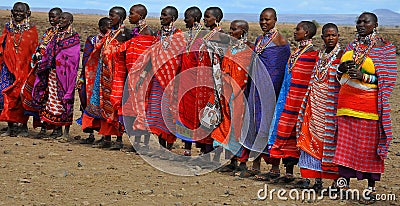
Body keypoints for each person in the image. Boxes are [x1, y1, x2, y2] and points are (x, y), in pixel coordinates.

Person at [332, 12, 397, 203]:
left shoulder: (384, 49)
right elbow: (338, 76)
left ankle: (370, 190)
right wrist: (341, 69)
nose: (360, 24)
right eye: (358, 21)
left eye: (365, 21)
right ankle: (342, 185)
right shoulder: (352, 46)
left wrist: (364, 77)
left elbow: (387, 80)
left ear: (375, 24)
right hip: (345, 106)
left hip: (369, 110)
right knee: (344, 148)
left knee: (368, 150)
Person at [238, 8, 290, 179]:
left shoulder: (281, 42)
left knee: (268, 125)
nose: (264, 23)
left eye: (267, 19)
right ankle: (255, 164)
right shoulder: (261, 39)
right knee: (254, 123)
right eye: (261, 19)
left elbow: (278, 70)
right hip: (255, 89)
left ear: (275, 20)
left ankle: (274, 167)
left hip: (270, 92)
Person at [127, 6, 184, 152]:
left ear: (172, 18)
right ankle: (160, 147)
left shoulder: (179, 37)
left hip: (172, 82)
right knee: (156, 112)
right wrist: (143, 74)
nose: (161, 17)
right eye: (161, 14)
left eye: (164, 15)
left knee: (169, 112)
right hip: (156, 81)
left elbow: (180, 61)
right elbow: (150, 57)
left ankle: (168, 148)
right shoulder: (159, 35)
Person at [269, 21, 318, 183]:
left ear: (307, 33)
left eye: (298, 29)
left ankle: (308, 177)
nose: (295, 31)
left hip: (302, 104)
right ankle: (287, 172)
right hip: (288, 101)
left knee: (301, 137)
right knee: (284, 134)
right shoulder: (297, 51)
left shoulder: (313, 55)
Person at [296, 23, 343, 190]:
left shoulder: (343, 56)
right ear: (322, 37)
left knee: (332, 143)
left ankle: (336, 183)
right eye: (327, 35)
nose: (330, 38)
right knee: (309, 141)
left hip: (331, 107)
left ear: (338, 36)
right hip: (313, 103)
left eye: (333, 35)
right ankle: (315, 180)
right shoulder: (319, 55)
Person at [176, 6, 225, 159]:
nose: (205, 19)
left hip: (213, 84)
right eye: (204, 16)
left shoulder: (221, 36)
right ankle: (204, 150)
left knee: (211, 115)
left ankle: (211, 153)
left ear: (216, 19)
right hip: (200, 82)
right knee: (202, 116)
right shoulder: (206, 36)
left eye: (208, 17)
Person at [82, 6, 131, 149]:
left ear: (121, 18)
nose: (110, 18)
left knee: (115, 104)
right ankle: (106, 138)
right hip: (103, 73)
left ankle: (119, 140)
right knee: (103, 104)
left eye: (113, 16)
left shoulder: (126, 34)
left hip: (117, 75)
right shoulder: (110, 33)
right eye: (109, 15)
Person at [211, 20, 254, 172]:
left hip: (241, 95)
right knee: (227, 124)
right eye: (230, 29)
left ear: (242, 31)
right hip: (226, 93)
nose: (231, 32)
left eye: (234, 29)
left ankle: (241, 162)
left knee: (239, 127)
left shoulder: (249, 50)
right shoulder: (231, 48)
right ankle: (231, 161)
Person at [32, 12, 80, 139]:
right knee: (51, 99)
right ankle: (53, 127)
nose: (60, 20)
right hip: (52, 72)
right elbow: (48, 51)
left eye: (63, 19)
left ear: (70, 21)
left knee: (62, 99)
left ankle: (60, 129)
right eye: (60, 18)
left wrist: (61, 61)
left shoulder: (73, 37)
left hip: (65, 75)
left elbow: (74, 57)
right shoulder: (54, 36)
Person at [120, 4, 156, 152]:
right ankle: (135, 142)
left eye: (132, 13)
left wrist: (142, 74)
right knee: (132, 107)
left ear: (140, 16)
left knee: (142, 107)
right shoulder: (136, 32)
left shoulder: (148, 32)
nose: (129, 16)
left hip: (143, 77)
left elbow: (151, 57)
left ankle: (144, 144)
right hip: (132, 75)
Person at [23, 7, 62, 138]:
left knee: (55, 100)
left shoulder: (63, 34)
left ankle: (57, 129)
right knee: (43, 98)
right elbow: (40, 47)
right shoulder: (48, 32)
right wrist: (38, 56)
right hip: (42, 71)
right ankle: (44, 127)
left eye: (54, 17)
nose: (52, 19)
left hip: (55, 73)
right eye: (50, 17)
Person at [0, 2, 38, 137]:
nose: (17, 13)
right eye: (15, 11)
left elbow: (34, 51)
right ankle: (10, 126)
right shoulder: (7, 28)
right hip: (8, 69)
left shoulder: (31, 31)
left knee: (22, 97)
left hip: (25, 70)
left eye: (21, 11)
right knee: (7, 95)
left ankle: (23, 126)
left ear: (28, 13)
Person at [78, 17, 112, 144]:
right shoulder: (92, 40)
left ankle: (104, 136)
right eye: (106, 26)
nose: (109, 29)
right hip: (90, 77)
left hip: (106, 76)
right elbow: (85, 60)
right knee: (87, 101)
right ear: (100, 27)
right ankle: (90, 133)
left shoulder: (112, 40)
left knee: (104, 105)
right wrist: (82, 77)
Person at [176, 6, 203, 157]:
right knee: (184, 113)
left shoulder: (202, 38)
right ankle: (187, 147)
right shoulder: (189, 36)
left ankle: (201, 149)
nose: (185, 20)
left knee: (197, 115)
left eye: (187, 17)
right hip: (184, 81)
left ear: (194, 18)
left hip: (197, 83)